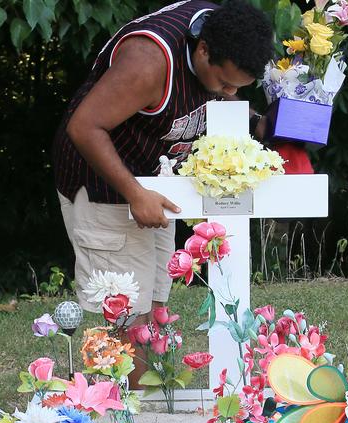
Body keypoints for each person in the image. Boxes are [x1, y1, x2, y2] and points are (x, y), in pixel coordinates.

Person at [52, 1, 273, 333]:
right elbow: (84, 127)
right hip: (104, 184)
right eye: (226, 82)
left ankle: (153, 386)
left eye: (239, 87)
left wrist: (255, 122)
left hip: (151, 180)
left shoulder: (225, 32)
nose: (231, 93)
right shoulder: (149, 62)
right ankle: (123, 387)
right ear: (203, 50)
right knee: (129, 316)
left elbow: (222, 92)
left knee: (153, 306)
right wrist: (135, 193)